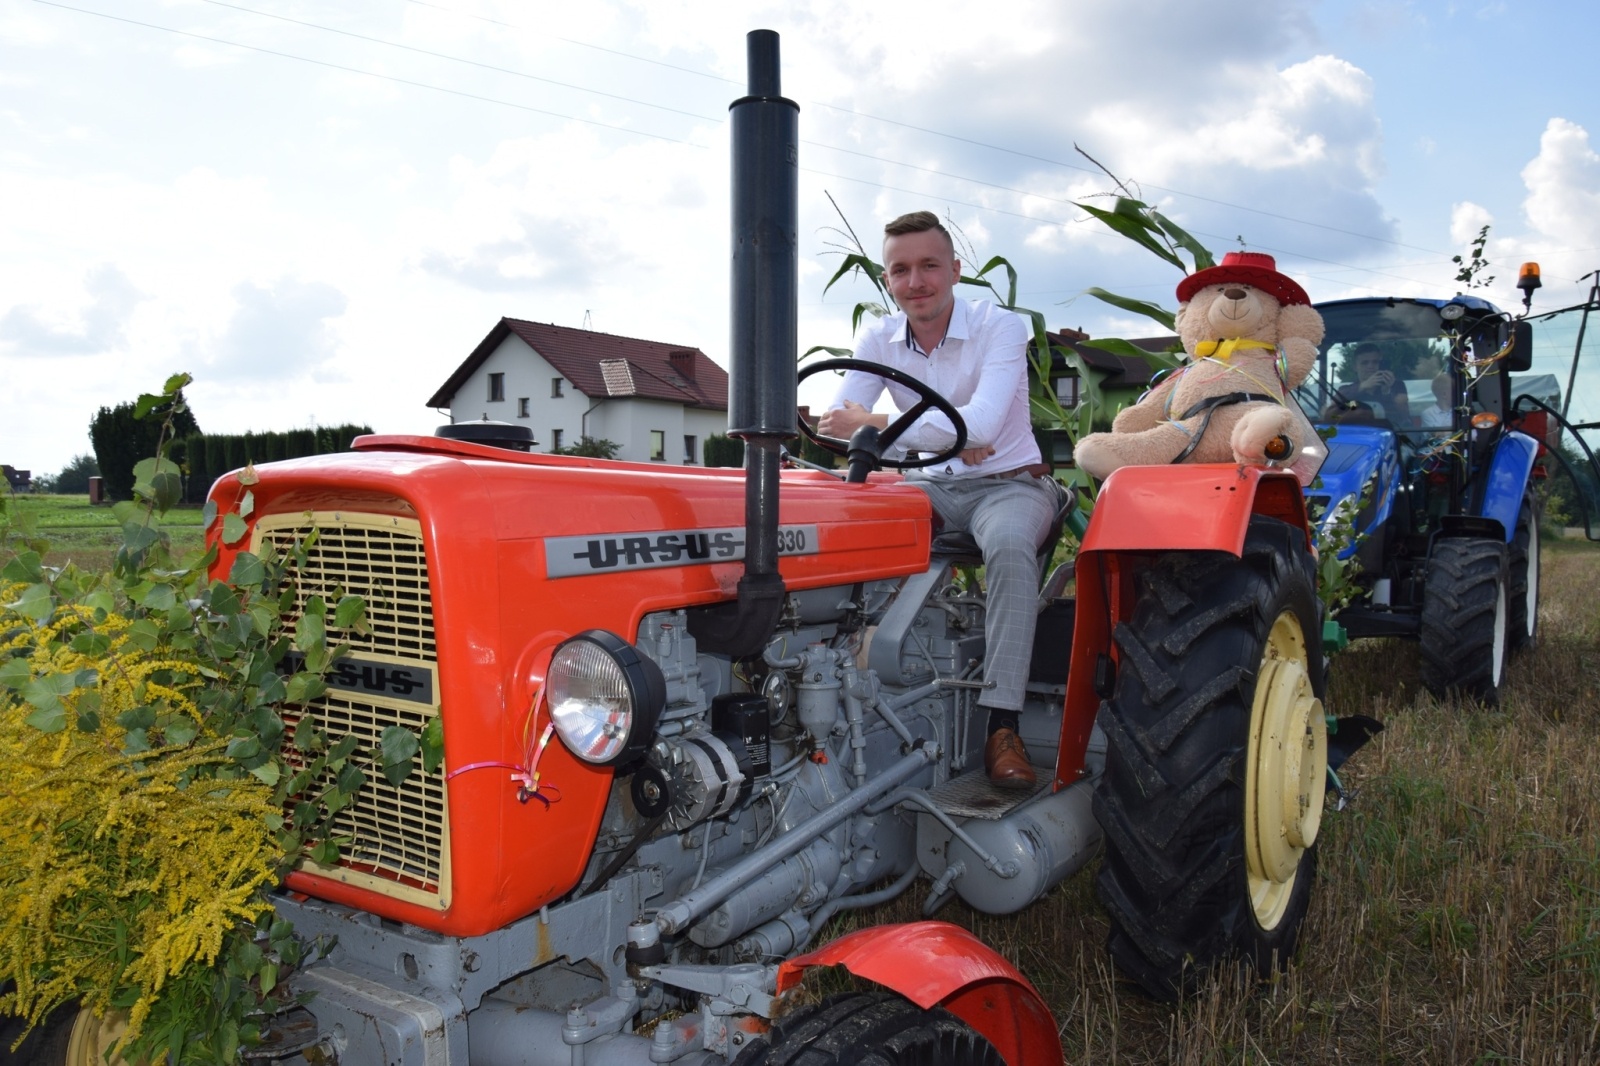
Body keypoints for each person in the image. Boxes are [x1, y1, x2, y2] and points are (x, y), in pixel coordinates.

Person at [818, 211, 1058, 790]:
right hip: (926, 486)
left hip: (1010, 484)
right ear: (887, 280)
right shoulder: (877, 335)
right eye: (901, 270)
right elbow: (832, 425)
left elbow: (974, 430)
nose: (916, 281)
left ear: (954, 270)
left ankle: (1002, 723)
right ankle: (840, 682)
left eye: (929, 265)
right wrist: (944, 434)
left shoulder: (999, 326)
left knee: (1005, 545)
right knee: (845, 529)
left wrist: (884, 423)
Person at [1347, 343, 1413, 426]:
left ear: (1380, 364)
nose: (1370, 366)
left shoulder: (1397, 386)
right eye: (1364, 363)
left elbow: (1404, 418)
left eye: (1375, 362)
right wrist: (1361, 387)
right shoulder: (1346, 390)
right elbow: (1336, 409)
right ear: (1354, 367)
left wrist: (1386, 392)